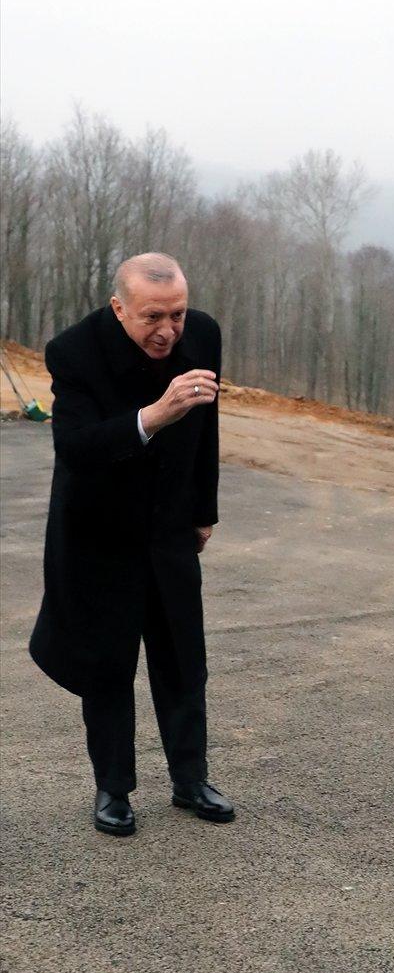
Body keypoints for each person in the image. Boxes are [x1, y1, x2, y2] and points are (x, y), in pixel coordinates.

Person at [29, 252, 235, 836]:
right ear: (119, 308)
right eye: (153, 317)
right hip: (99, 533)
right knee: (108, 667)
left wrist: (203, 511)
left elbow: (207, 428)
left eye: (178, 314)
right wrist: (154, 415)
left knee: (183, 661)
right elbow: (75, 448)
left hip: (169, 527)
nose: (169, 330)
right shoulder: (73, 351)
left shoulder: (204, 335)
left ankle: (190, 780)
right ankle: (113, 790)